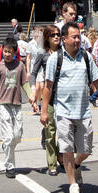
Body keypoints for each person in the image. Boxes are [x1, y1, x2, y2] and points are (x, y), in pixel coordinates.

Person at [42, 21, 98, 193]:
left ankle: (77, 164)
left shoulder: (86, 57)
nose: (78, 40)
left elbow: (97, 80)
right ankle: (73, 184)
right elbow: (48, 87)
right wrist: (43, 111)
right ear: (64, 39)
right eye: (74, 37)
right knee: (67, 149)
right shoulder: (55, 59)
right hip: (63, 112)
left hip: (83, 111)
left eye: (79, 36)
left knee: (86, 149)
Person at [0, 35, 33, 177]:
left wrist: (31, 96)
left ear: (15, 53)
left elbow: (24, 83)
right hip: (3, 104)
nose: (7, 54)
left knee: (17, 135)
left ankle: (6, 146)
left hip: (16, 105)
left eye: (10, 52)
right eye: (5, 51)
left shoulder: (20, 66)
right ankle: (10, 167)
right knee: (8, 137)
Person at [30, 24, 61, 175]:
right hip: (48, 97)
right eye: (53, 35)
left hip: (63, 97)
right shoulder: (42, 53)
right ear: (47, 38)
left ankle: (61, 155)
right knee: (51, 132)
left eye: (58, 34)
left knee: (64, 131)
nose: (56, 37)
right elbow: (34, 73)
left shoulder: (64, 53)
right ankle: (52, 164)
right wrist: (33, 90)